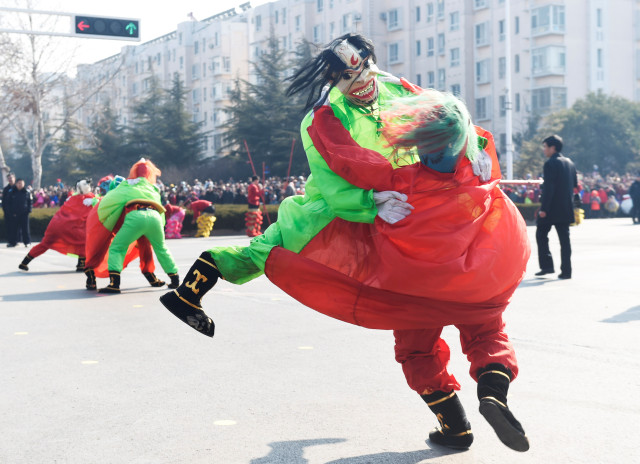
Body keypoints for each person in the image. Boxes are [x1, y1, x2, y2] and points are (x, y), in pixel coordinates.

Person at [160, 33, 530, 453]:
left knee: (404, 333)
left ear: (372, 60)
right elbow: (346, 176)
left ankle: (456, 424)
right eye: (348, 76)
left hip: (403, 224)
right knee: (484, 321)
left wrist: (472, 147)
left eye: (364, 68)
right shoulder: (323, 117)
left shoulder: (397, 88)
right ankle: (491, 395)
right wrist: (372, 201)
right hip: (369, 208)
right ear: (333, 79)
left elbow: (447, 122)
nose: (360, 81)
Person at [95, 159, 180, 294]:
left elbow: (111, 199)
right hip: (155, 216)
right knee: (161, 248)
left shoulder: (127, 184)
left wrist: (103, 213)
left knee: (117, 248)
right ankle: (175, 279)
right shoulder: (153, 187)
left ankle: (114, 283)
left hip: (136, 215)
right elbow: (161, 207)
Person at [18, 180, 95, 271]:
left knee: (45, 244)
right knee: (83, 241)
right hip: (73, 228)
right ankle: (81, 264)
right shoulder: (90, 199)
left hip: (57, 225)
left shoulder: (71, 198)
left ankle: (24, 262)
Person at [535, 134, 577, 279]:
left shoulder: (550, 163)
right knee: (565, 241)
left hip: (551, 208)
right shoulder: (570, 163)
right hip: (566, 208)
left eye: (545, 147)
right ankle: (566, 271)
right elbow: (575, 185)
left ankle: (547, 265)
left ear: (552, 148)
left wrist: (544, 209)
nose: (544, 150)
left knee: (541, 234)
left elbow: (549, 188)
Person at [8, 178, 32, 247]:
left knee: (25, 229)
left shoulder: (27, 192)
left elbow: (30, 202)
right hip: (14, 214)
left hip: (24, 213)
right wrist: (11, 212)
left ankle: (27, 242)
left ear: (24, 184)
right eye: (19, 183)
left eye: (21, 183)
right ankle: (13, 242)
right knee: (14, 229)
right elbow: (8, 203)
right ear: (16, 184)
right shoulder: (12, 192)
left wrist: (28, 210)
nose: (20, 185)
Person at [2, 172, 16, 246]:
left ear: (14, 178)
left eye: (11, 178)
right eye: (9, 178)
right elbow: (3, 201)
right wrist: (5, 210)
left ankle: (16, 241)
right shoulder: (6, 189)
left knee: (16, 227)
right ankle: (10, 241)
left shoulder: (17, 188)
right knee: (9, 227)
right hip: (8, 212)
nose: (10, 179)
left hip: (16, 212)